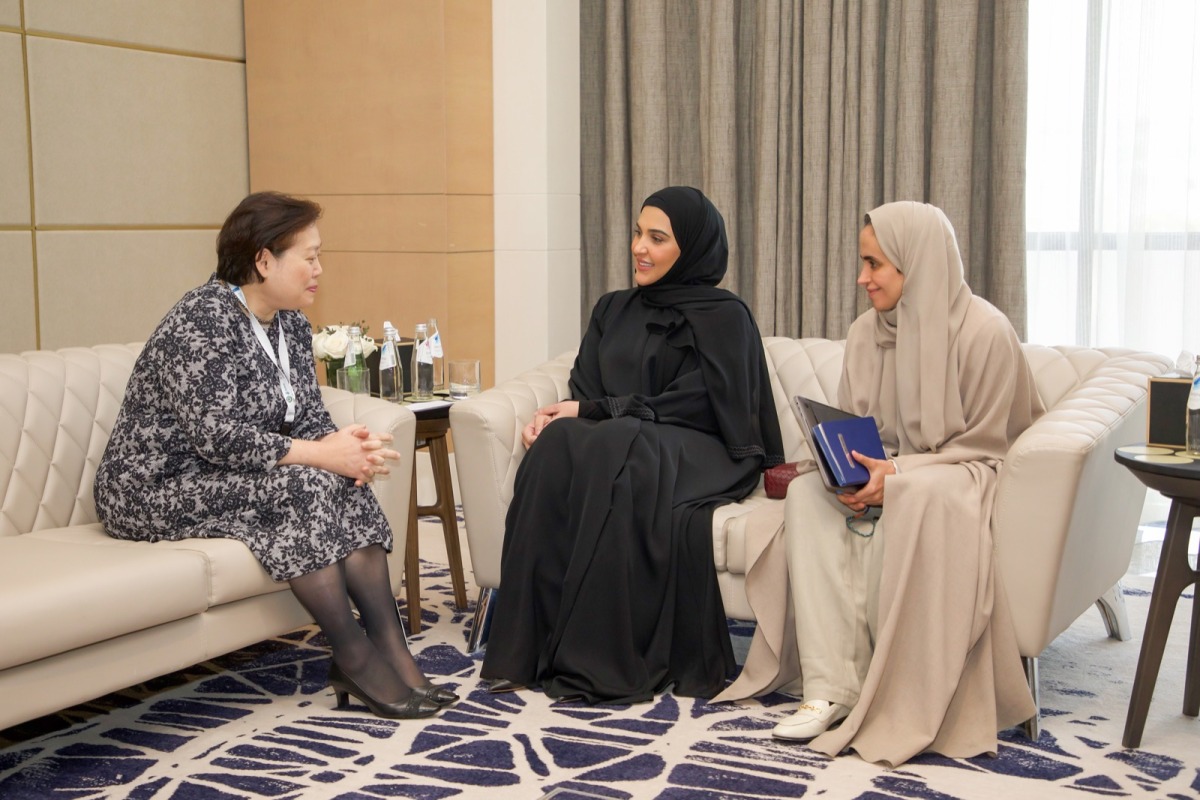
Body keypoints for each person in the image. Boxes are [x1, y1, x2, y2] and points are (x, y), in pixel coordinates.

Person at [94, 191, 456, 720]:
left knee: (341, 479)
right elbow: (217, 437)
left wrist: (346, 449)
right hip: (156, 486)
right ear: (264, 261)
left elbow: (306, 417)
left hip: (224, 474)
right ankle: (354, 658)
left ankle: (393, 651)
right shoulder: (202, 319)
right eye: (309, 257)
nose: (319, 269)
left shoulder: (290, 322)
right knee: (307, 482)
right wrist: (321, 455)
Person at [715, 201, 1044, 766]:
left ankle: (893, 689)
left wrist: (900, 475)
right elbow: (861, 426)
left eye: (875, 264)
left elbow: (989, 446)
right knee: (809, 494)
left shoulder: (986, 332)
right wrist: (850, 466)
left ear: (917, 264)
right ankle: (829, 689)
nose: (861, 278)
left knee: (915, 497)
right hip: (886, 469)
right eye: (863, 262)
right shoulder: (866, 333)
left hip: (961, 475)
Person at [479, 186, 785, 704]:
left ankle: (598, 661)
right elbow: (586, 388)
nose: (639, 247)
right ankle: (523, 651)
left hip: (705, 449)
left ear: (691, 248)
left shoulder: (726, 316)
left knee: (616, 441)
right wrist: (557, 418)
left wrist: (598, 413)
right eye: (638, 233)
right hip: (625, 439)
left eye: (657, 238)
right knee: (559, 443)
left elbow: (701, 402)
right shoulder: (612, 309)